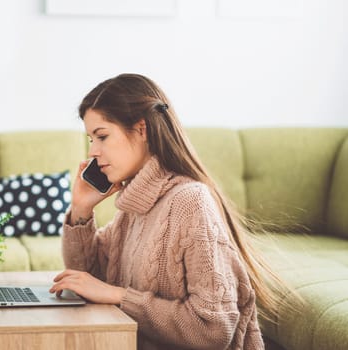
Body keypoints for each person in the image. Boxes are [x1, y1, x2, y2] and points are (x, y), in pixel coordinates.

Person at [49, 73, 285, 349]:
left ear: (142, 130)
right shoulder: (134, 205)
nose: (93, 152)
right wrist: (81, 209)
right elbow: (86, 280)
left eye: (102, 136)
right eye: (91, 139)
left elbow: (213, 329)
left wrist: (119, 296)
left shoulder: (190, 201)